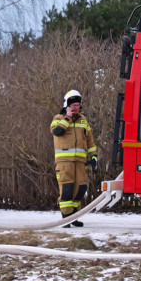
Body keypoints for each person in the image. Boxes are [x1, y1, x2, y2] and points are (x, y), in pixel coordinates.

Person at [50, 90, 98, 227]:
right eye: (73, 105)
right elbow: (57, 132)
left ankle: (74, 215)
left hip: (80, 162)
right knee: (66, 190)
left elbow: (89, 139)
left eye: (77, 105)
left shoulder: (83, 120)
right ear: (67, 105)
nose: (76, 107)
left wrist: (93, 156)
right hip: (64, 162)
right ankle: (66, 218)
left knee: (81, 189)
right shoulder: (58, 118)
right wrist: (68, 118)